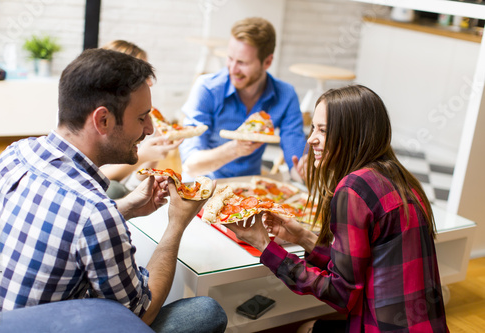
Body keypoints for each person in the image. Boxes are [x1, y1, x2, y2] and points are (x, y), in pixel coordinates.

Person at [0, 48, 227, 333]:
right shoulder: (95, 213)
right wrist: (176, 224)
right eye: (142, 117)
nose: (150, 129)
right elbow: (140, 315)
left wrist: (125, 207)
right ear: (103, 120)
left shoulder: (15, 153)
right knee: (207, 311)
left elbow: (66, 225)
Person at [226, 85, 449, 332]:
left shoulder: (353, 188)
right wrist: (303, 237)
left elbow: (342, 294)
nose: (311, 139)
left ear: (353, 134)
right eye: (313, 128)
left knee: (305, 328)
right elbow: (356, 267)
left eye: (323, 130)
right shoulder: (402, 178)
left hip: (378, 326)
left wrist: (266, 247)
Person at [180, 17, 307, 181]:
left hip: (247, 186)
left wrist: (304, 171)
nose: (232, 69)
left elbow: (295, 162)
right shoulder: (207, 89)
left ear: (267, 61)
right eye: (230, 58)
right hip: (203, 183)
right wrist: (236, 148)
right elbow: (190, 164)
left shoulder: (286, 95)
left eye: (242, 62)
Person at [99, 40, 183, 199]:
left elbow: (131, 185)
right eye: (142, 75)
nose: (150, 82)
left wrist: (156, 154)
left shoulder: (139, 115)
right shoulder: (101, 116)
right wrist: (143, 156)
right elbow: (93, 178)